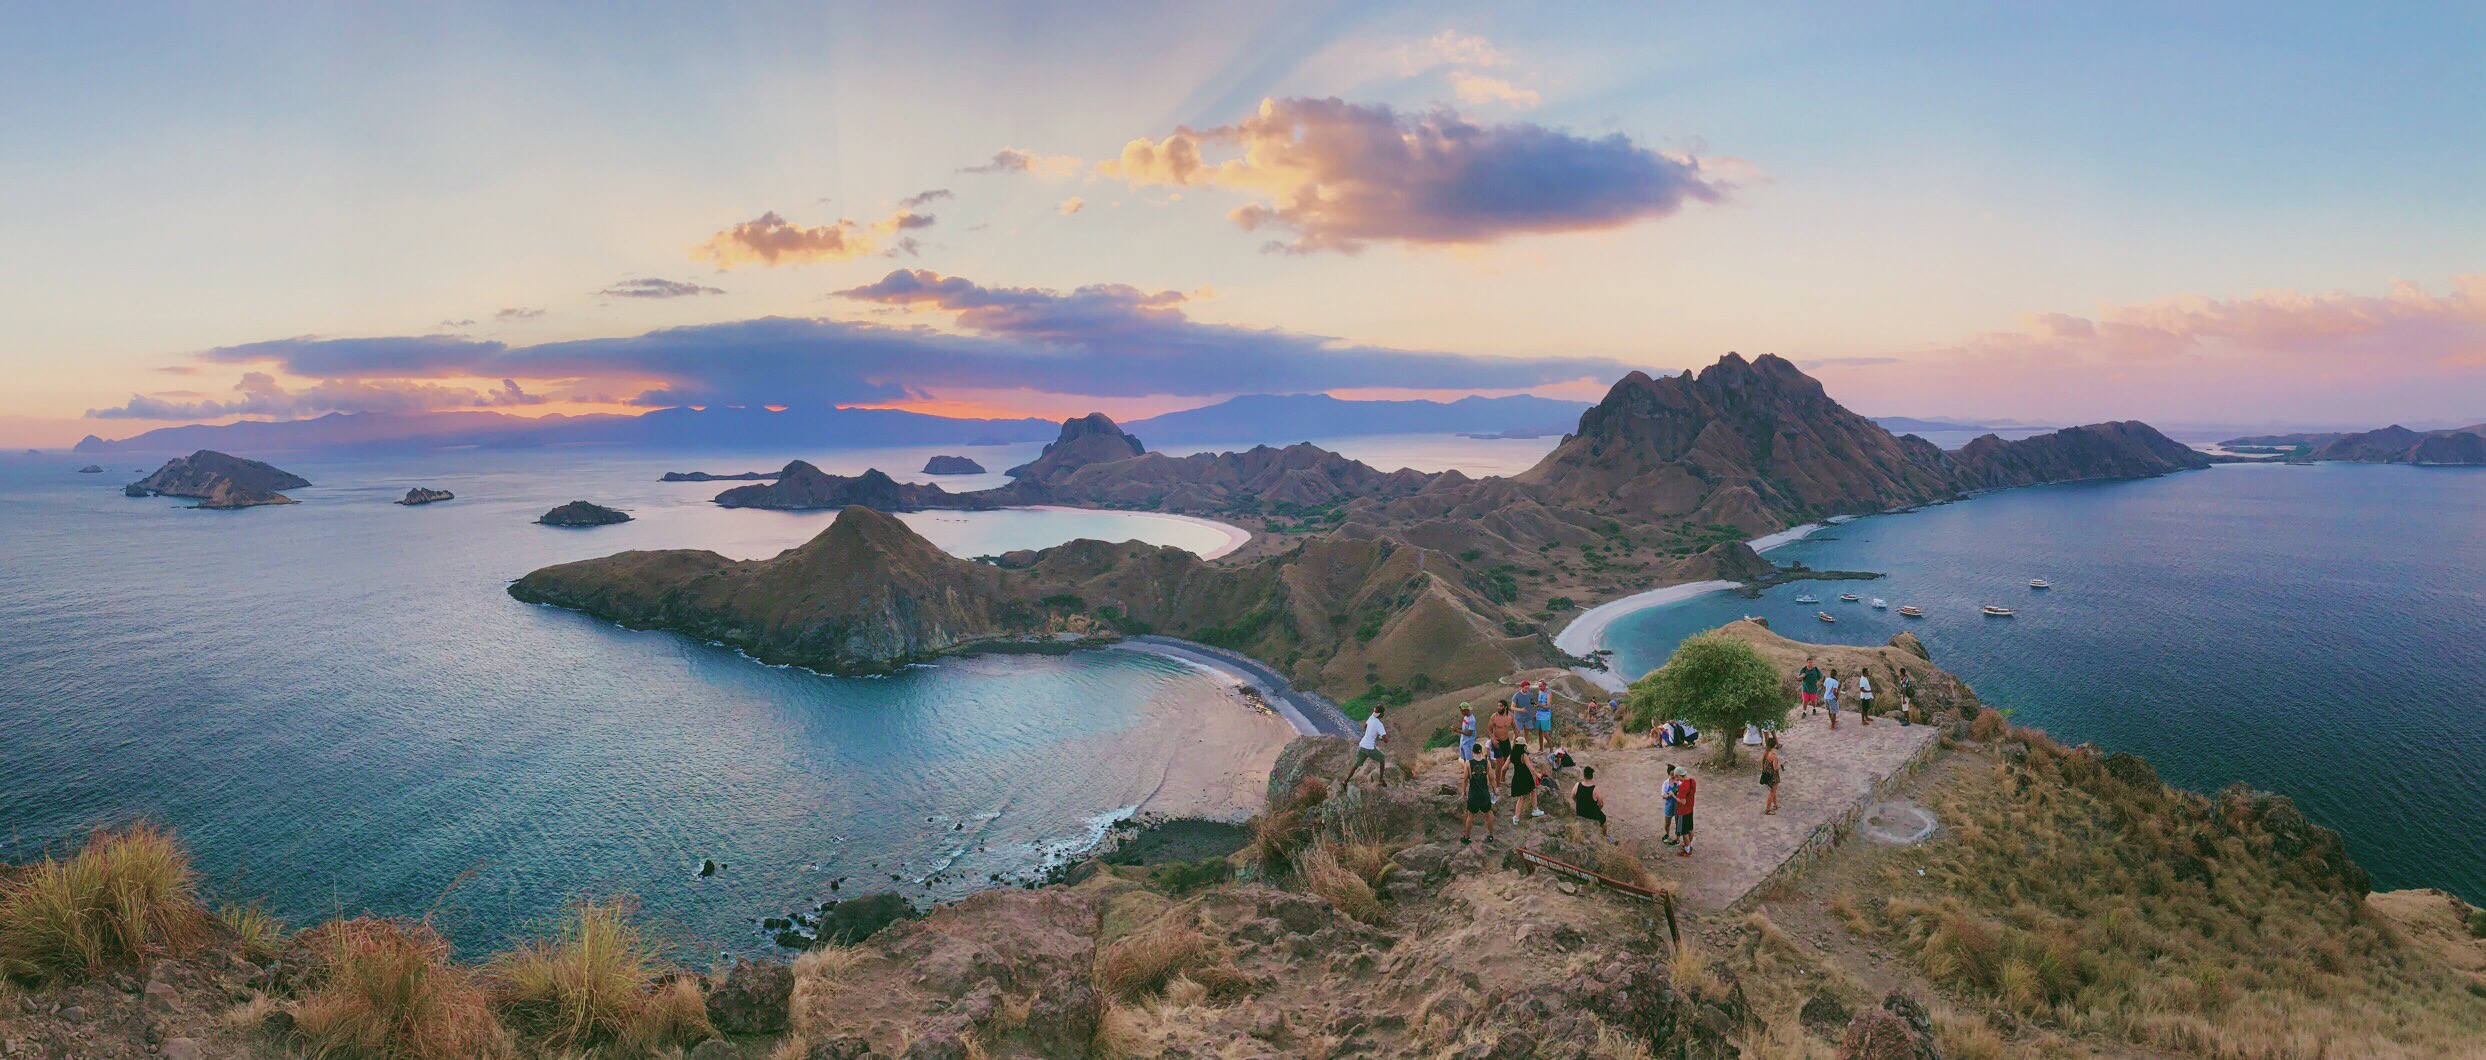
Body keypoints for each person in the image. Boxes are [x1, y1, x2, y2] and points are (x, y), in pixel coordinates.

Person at [1343, 705, 1389, 787]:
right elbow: (1385, 740)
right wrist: (1380, 738)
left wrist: (1370, 734)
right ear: (1381, 714)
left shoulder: (1371, 717)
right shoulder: (1379, 725)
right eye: (1383, 713)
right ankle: (1380, 781)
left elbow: (1365, 727)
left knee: (1356, 765)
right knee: (1382, 759)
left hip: (1362, 745)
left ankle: (1345, 781)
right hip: (1369, 748)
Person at [1461, 752, 1495, 844]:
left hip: (1473, 794)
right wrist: (1495, 789)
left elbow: (1465, 779)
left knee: (1470, 816)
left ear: (1472, 752)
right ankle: (1491, 836)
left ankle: (1467, 838)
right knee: (1488, 814)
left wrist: (1463, 791)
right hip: (1484, 794)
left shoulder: (1468, 763)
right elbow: (1491, 778)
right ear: (1481, 752)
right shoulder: (1486, 762)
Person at [1508, 739, 1543, 822]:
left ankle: (1516, 818)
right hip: (1526, 776)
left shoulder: (1512, 754)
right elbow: (1531, 768)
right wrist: (1538, 774)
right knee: (1533, 791)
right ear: (1523, 746)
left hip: (1517, 777)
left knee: (1521, 798)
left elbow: (1504, 767)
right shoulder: (1523, 755)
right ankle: (1535, 810)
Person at [1486, 701, 1518, 791]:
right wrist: (1492, 739)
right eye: (1498, 706)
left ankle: (1503, 778)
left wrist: (1518, 739)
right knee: (1499, 763)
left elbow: (1515, 727)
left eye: (1500, 706)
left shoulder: (1510, 716)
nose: (1499, 707)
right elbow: (1489, 729)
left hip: (1506, 741)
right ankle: (1498, 784)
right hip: (1497, 741)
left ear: (1505, 707)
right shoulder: (1494, 716)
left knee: (1506, 764)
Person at [1573, 765, 1608, 839]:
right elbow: (1601, 804)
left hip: (1580, 811)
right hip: (1591, 814)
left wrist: (1577, 802)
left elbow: (1572, 796)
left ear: (1584, 775)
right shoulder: (1595, 789)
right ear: (1592, 776)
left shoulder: (1577, 785)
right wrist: (1598, 809)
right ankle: (1605, 836)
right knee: (1604, 819)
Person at [1673, 765, 1698, 856]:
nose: (1676, 778)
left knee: (1684, 832)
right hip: (1690, 809)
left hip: (1683, 811)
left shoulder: (1683, 786)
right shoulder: (1692, 781)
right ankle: (1689, 845)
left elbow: (1683, 802)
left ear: (1680, 775)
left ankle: (1687, 850)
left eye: (1677, 776)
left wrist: (1674, 796)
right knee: (1690, 828)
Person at [1759, 733, 1782, 815]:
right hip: (1773, 776)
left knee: (1773, 790)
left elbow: (1761, 761)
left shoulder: (1765, 753)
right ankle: (1767, 810)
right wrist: (1781, 766)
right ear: (1774, 745)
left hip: (1766, 774)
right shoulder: (1773, 756)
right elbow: (1775, 768)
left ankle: (1775, 805)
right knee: (1772, 792)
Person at [1661, 769, 1681, 845]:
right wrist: (1670, 794)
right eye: (1672, 774)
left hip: (1678, 806)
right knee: (1667, 822)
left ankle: (1677, 839)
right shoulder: (1666, 783)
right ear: (1669, 774)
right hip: (1669, 805)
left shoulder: (1680, 783)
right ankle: (1667, 834)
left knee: (1678, 823)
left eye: (1674, 774)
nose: (1673, 776)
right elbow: (1663, 796)